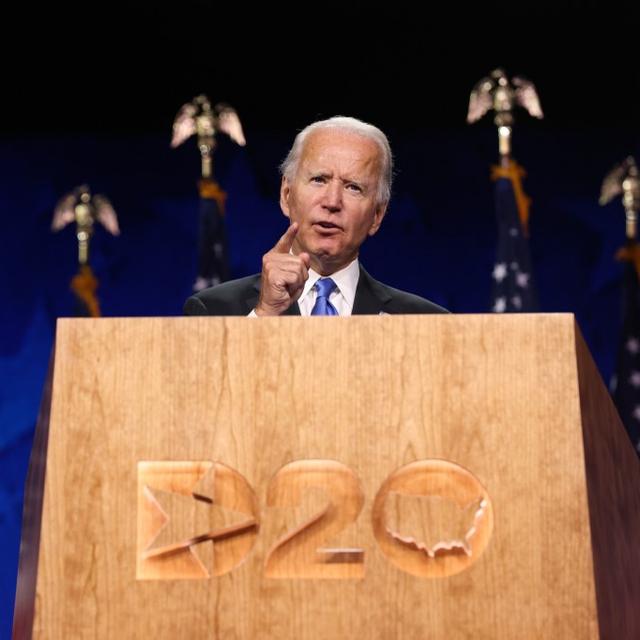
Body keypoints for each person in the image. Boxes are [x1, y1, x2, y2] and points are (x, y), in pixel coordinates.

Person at [183, 116, 447, 316]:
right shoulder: (212, 310)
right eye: (319, 180)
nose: (332, 202)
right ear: (287, 195)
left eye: (353, 187)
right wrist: (265, 315)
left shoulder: (425, 321)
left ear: (377, 215)